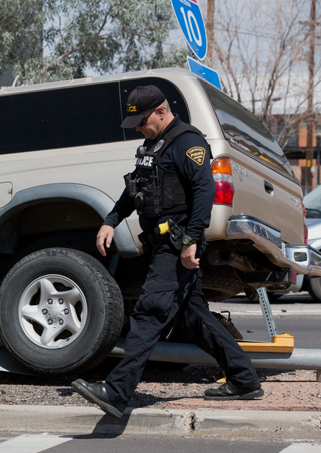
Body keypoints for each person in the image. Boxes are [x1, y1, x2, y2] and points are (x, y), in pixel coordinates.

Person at [70, 85, 263, 419]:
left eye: (144, 122)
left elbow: (205, 191)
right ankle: (244, 379)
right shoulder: (152, 145)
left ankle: (116, 393)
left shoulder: (188, 142)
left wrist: (191, 240)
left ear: (161, 111)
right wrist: (111, 220)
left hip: (177, 245)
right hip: (163, 243)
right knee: (194, 319)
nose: (140, 129)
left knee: (150, 312)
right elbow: (135, 191)